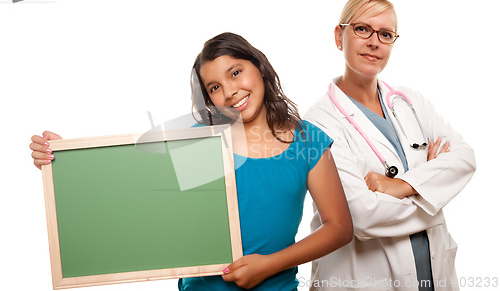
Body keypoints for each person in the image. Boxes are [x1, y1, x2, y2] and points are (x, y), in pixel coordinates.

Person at [30, 32, 353, 290]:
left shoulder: (307, 140)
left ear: (260, 67)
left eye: (236, 73)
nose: (229, 91)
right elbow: (128, 193)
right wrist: (66, 161)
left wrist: (269, 264)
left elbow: (339, 227)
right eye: (215, 87)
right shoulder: (197, 140)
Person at [305, 0, 476, 291]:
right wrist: (436, 193)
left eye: (385, 34)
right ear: (338, 35)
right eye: (362, 29)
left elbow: (464, 158)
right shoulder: (318, 124)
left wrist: (404, 186)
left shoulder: (410, 102)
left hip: (434, 275)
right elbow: (363, 216)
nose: (374, 42)